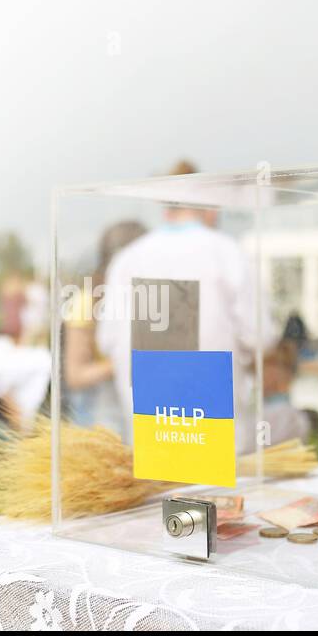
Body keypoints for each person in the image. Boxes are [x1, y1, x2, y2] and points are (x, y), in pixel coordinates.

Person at [96, 160, 275, 450]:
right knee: (214, 495)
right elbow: (260, 336)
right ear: (211, 206)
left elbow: (107, 341)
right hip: (215, 432)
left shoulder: (128, 259)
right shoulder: (226, 253)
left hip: (151, 430)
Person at [64, 220, 146, 428]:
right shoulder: (86, 301)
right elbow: (75, 375)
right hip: (100, 408)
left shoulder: (151, 298)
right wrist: (124, 363)